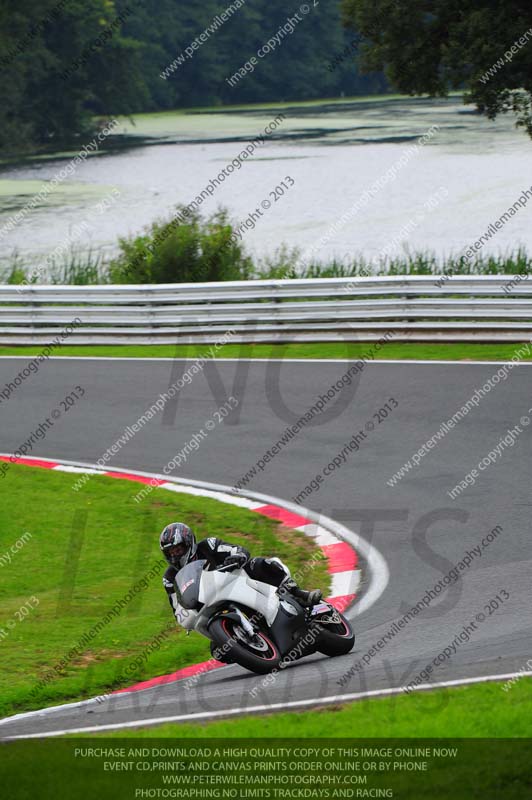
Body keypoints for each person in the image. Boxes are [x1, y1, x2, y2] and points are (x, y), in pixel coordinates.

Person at [160, 522, 322, 622]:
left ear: (189, 543)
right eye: (170, 552)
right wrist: (183, 616)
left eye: (178, 549)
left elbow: (237, 549)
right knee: (218, 650)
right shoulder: (169, 578)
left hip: (235, 582)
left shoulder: (208, 545)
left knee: (259, 564)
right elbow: (177, 608)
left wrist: (236, 557)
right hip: (207, 606)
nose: (175, 555)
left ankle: (299, 593)